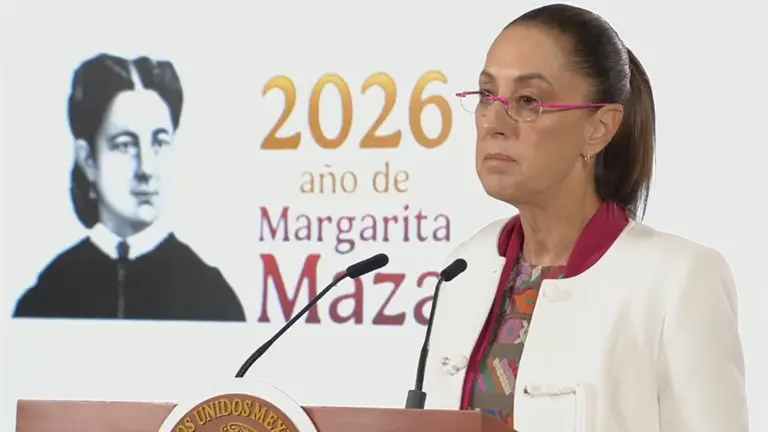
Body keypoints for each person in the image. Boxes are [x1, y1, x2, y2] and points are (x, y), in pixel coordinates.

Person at [423, 4, 748, 432]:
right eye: (487, 94)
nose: (493, 123)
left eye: (528, 100)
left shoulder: (678, 280)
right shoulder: (466, 265)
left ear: (599, 128)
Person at [13, 53, 246, 322]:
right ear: (88, 159)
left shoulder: (212, 297)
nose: (146, 169)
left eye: (159, 143)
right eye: (125, 145)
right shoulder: (48, 296)